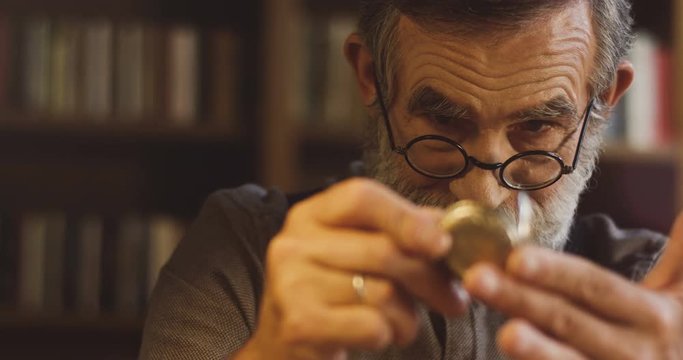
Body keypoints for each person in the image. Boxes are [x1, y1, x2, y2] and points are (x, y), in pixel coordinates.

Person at [139, 0, 683, 359]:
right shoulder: (246, 251)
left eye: (538, 127)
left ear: (604, 99)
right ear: (371, 76)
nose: (483, 197)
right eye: (444, 123)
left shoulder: (659, 304)